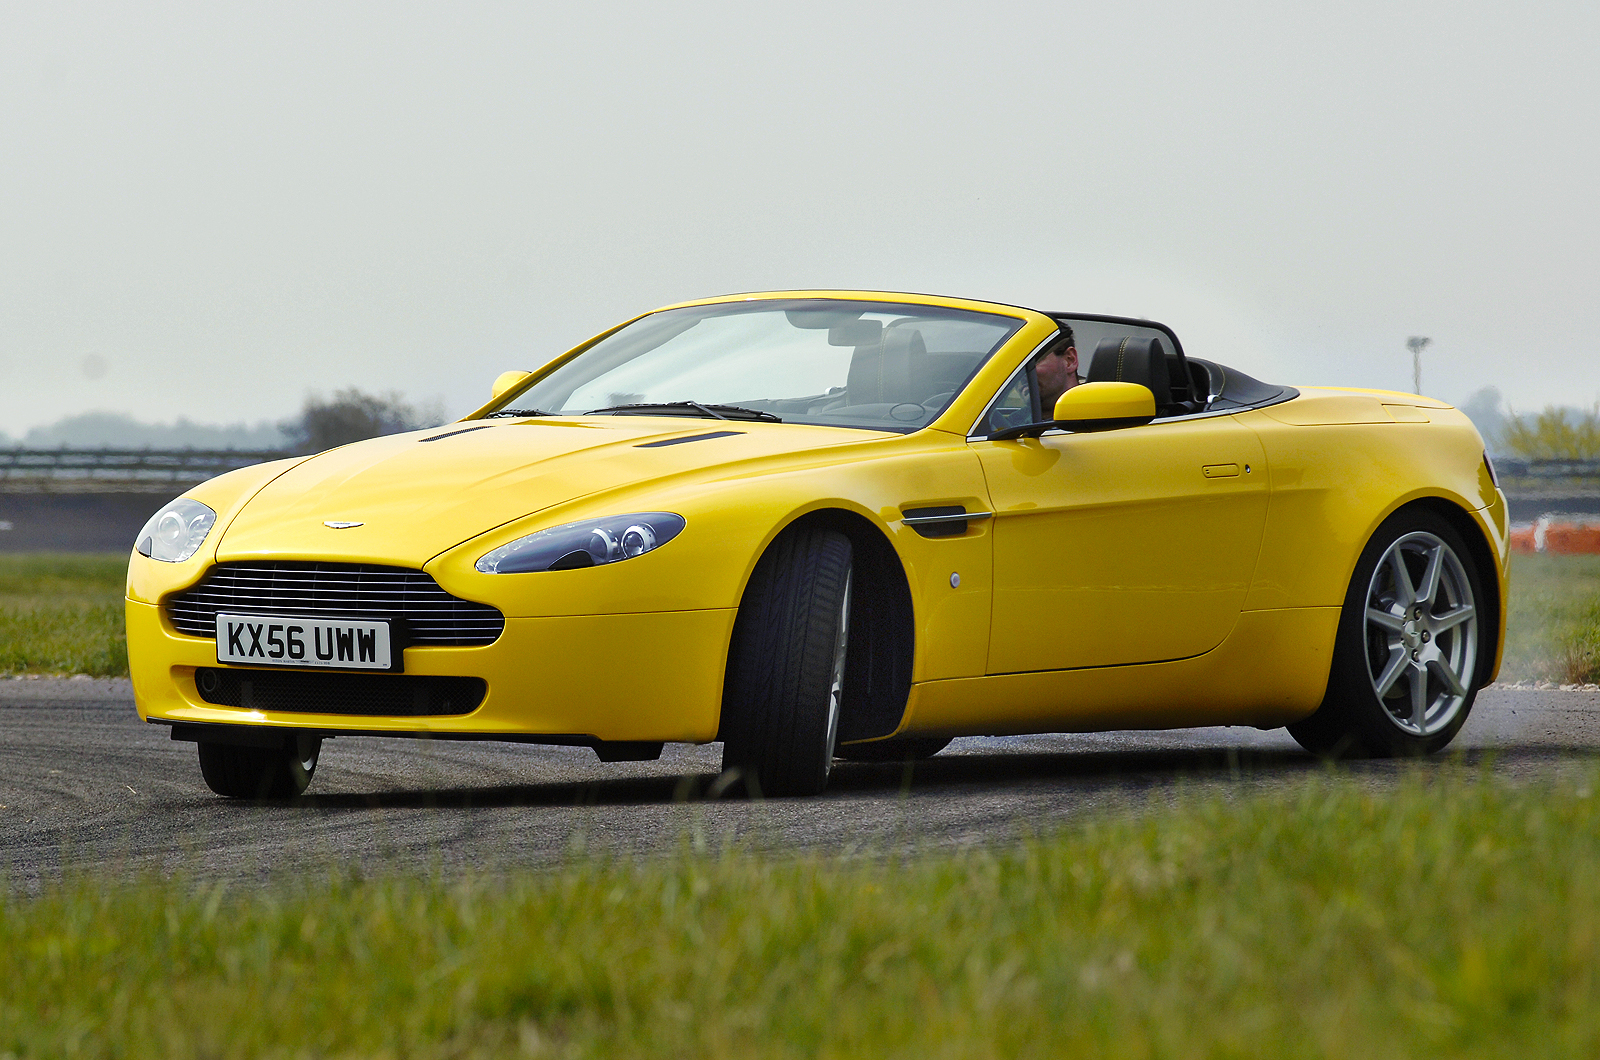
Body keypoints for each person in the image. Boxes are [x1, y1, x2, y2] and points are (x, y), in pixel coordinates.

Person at [1034, 324, 1081, 417]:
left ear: (1069, 360)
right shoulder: (1010, 422)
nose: (1021, 374)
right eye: (1018, 365)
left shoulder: (1097, 420)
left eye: (1034, 361)